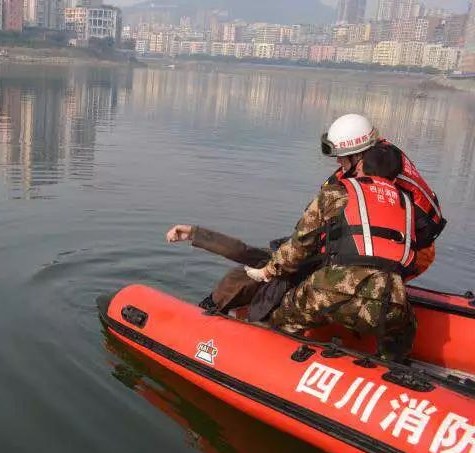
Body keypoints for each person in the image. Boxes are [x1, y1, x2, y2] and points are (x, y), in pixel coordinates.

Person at [167, 114, 445, 360]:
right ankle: (391, 361)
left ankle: (275, 349)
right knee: (394, 334)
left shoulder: (338, 192)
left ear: (357, 158)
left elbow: (297, 248)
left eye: (341, 156)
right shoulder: (399, 187)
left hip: (341, 279)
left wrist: (269, 271)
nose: (337, 162)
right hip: (400, 275)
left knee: (285, 308)